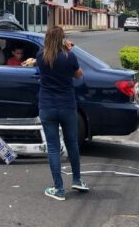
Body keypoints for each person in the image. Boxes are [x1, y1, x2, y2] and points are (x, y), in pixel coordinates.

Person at [35, 26, 88, 201]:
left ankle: (58, 188)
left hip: (47, 106)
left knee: (53, 147)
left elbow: (44, 59)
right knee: (72, 143)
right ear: (62, 39)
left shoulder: (41, 56)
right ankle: (77, 180)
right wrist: (68, 49)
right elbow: (79, 75)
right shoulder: (69, 56)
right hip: (67, 106)